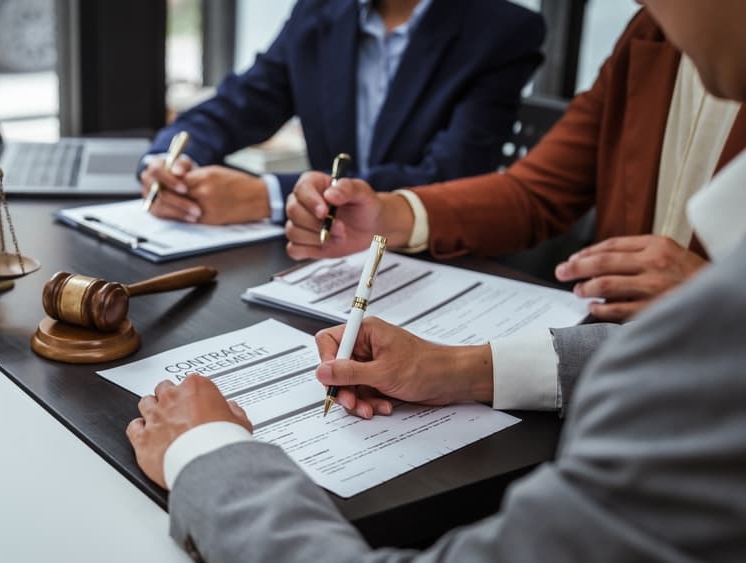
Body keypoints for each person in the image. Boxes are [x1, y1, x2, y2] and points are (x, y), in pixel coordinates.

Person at [126, 2, 746, 559]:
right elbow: (539, 183)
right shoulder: (652, 35)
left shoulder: (712, 361)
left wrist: (205, 454)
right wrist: (462, 367)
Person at [285, 8, 745, 323]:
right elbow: (537, 191)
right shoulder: (649, 32)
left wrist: (723, 302)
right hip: (611, 366)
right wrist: (390, 215)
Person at [139, 0, 545, 225]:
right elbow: (242, 102)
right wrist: (171, 162)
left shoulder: (501, 30)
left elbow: (449, 176)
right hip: (322, 252)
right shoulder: (318, 12)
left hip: (435, 257)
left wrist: (268, 197)